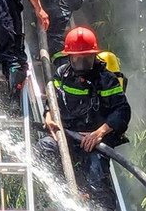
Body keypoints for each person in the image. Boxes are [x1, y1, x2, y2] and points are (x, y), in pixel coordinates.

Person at [37, 26, 131, 211]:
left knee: (97, 180)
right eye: (77, 59)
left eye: (87, 58)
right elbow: (52, 101)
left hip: (96, 139)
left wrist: (100, 133)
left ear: (94, 56)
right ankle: (62, 191)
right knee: (43, 150)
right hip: (69, 134)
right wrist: (48, 116)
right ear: (69, 56)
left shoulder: (106, 79)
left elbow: (122, 111)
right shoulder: (61, 75)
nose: (82, 63)